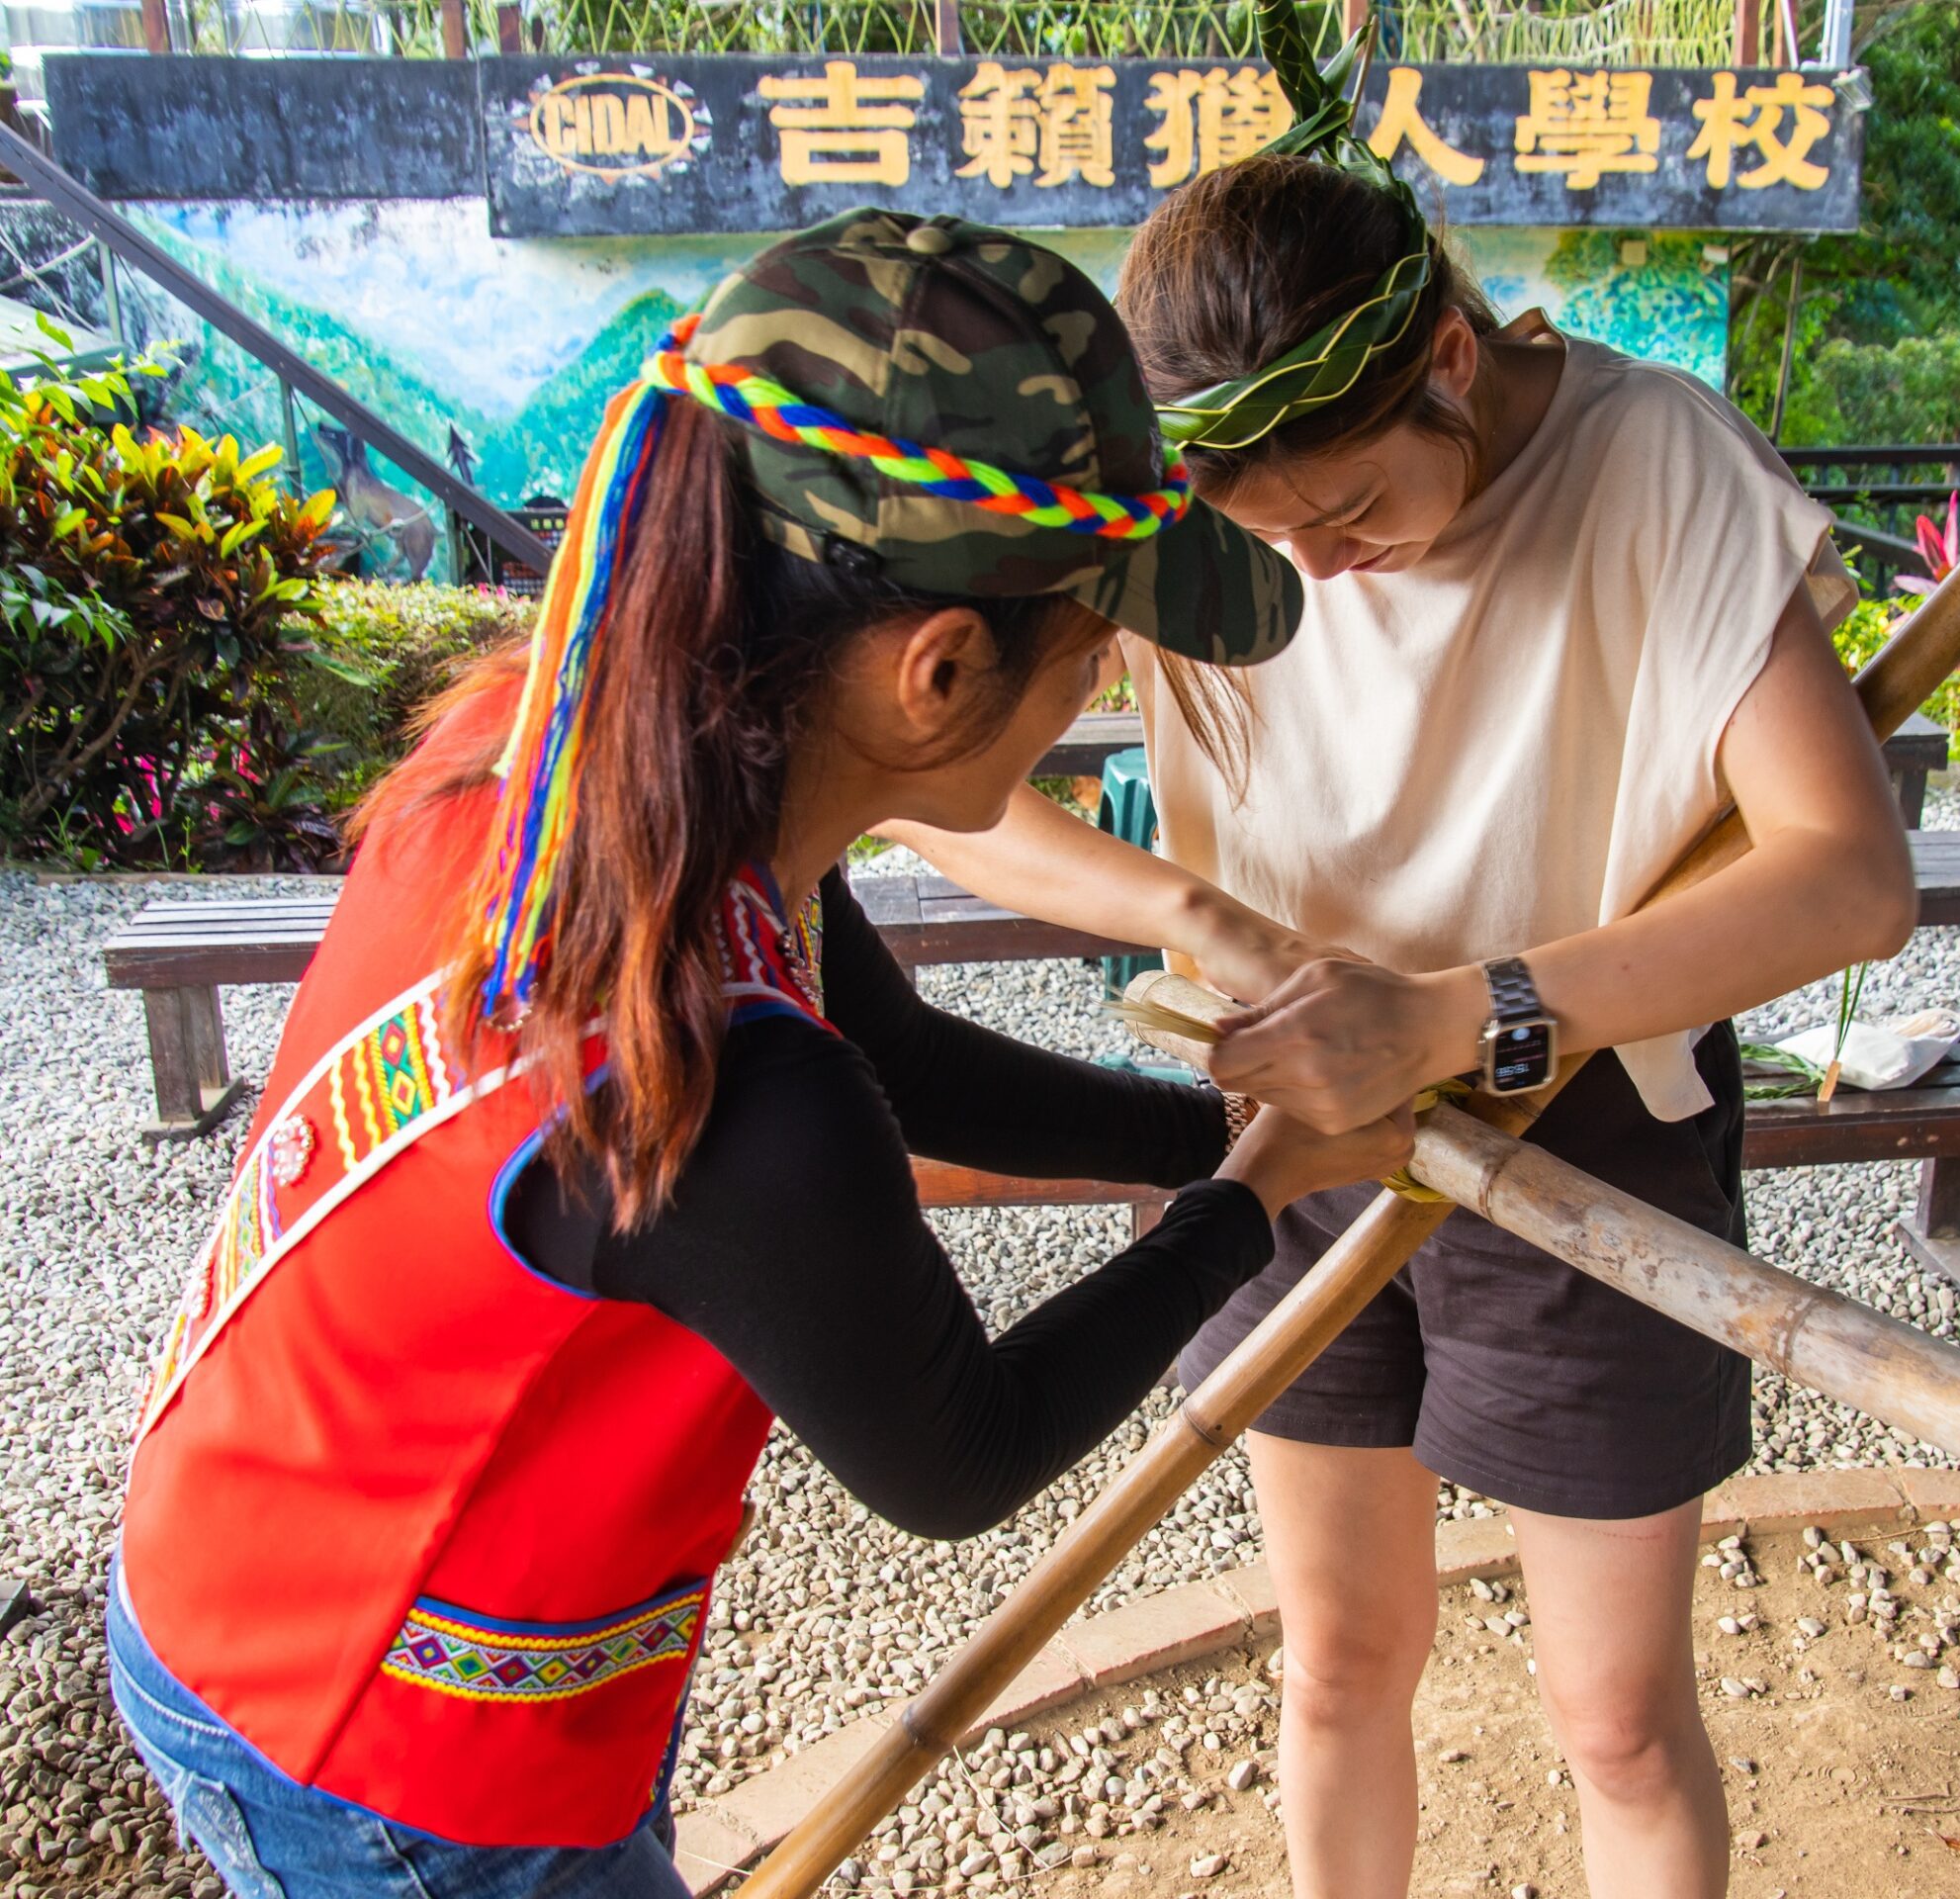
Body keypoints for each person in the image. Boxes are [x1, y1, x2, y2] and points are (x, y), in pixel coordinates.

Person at [106, 209, 1411, 1899]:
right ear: (940, 670)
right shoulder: (730, 1087)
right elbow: (962, 1452)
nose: (1092, 690)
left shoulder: (585, 750)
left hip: (257, 1526)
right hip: (373, 1742)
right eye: (1092, 662)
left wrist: (1208, 1126)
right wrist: (1256, 1193)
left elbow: (905, 1058)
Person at [880, 35, 1919, 1896]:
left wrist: (1462, 1013)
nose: (1325, 573)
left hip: (1578, 1115)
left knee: (1611, 1713)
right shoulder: (1186, 511)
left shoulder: (1651, 464)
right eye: (1269, 543)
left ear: (1448, 360)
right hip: (1277, 1124)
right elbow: (927, 795)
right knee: (1344, 1658)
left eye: (1350, 514)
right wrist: (1207, 921)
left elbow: (1848, 879)